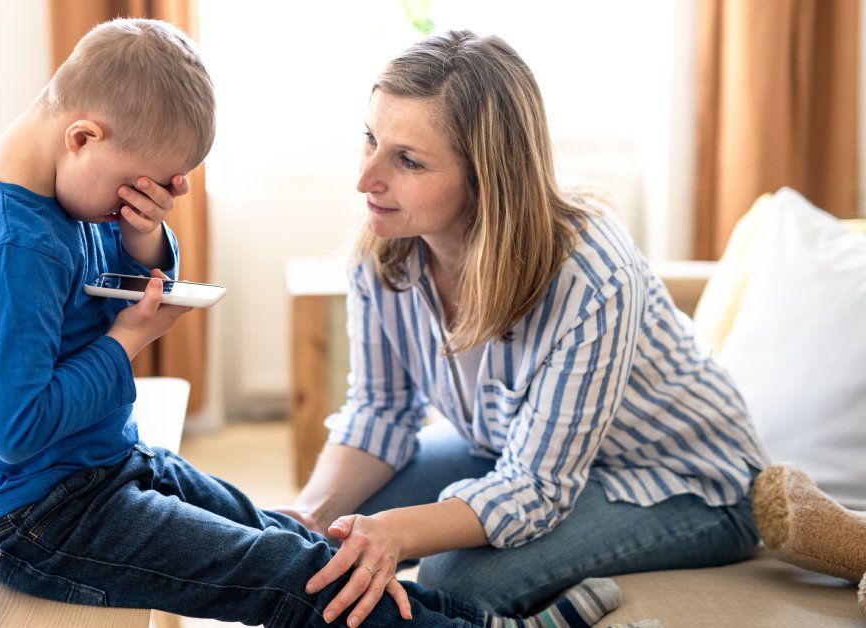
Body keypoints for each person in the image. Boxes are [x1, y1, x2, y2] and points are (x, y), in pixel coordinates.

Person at [0, 18, 619, 628]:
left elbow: (97, 291)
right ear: (83, 137)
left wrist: (143, 242)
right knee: (294, 577)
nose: (131, 207)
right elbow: (16, 430)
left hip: (104, 468)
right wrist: (130, 340)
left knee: (299, 542)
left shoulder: (69, 191)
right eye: (133, 190)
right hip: (41, 518)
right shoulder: (11, 246)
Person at [275, 28, 767, 621]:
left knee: (449, 578)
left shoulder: (592, 276)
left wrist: (397, 532)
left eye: (407, 160)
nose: (366, 179)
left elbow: (536, 489)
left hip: (686, 483)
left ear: (486, 179)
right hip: (513, 449)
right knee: (327, 540)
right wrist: (311, 513)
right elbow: (379, 412)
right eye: (370, 139)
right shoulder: (385, 246)